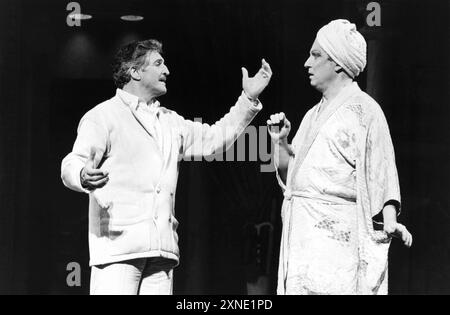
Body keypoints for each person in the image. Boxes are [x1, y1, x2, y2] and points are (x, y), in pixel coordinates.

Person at [61, 39, 272, 295]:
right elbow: (74, 161)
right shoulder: (103, 115)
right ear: (135, 71)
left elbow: (214, 140)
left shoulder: (170, 122)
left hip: (162, 253)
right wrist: (81, 175)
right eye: (158, 63)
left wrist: (248, 98)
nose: (167, 71)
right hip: (117, 250)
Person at [267, 19, 412, 295]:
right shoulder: (311, 115)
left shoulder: (366, 111)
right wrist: (281, 141)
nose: (307, 63)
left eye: (316, 55)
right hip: (302, 241)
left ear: (337, 63)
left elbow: (381, 173)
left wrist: (390, 218)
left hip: (336, 242)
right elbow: (291, 179)